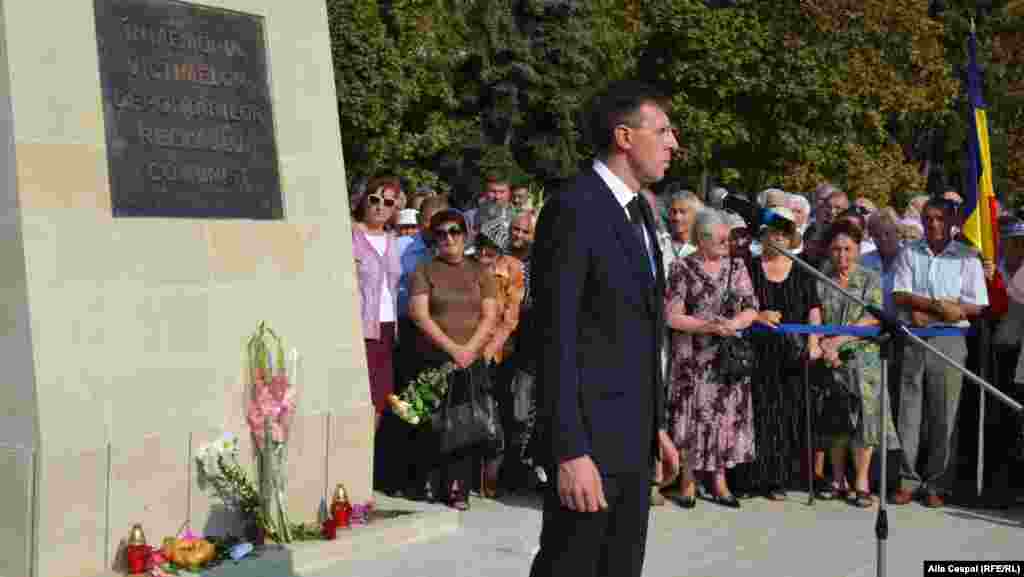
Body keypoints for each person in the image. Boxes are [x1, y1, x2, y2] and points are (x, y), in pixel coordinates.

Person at [529, 81, 680, 577]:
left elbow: (641, 332)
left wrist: (656, 424)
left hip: (632, 441)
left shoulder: (640, 211)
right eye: (661, 131)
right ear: (623, 136)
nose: (673, 143)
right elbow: (555, 337)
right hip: (589, 443)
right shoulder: (575, 208)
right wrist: (569, 450)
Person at [890, 198, 988, 508]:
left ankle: (936, 483)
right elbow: (900, 293)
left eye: (940, 219)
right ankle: (907, 480)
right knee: (908, 412)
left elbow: (976, 304)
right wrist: (936, 307)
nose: (933, 224)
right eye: (928, 218)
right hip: (914, 338)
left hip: (949, 340)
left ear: (952, 221)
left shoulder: (966, 258)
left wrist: (948, 310)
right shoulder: (910, 252)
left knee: (944, 413)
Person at [666, 209, 760, 509]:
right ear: (702, 239)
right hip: (694, 359)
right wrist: (706, 326)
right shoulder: (682, 268)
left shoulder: (737, 266)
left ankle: (720, 483)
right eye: (721, 238)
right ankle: (688, 483)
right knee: (693, 420)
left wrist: (732, 325)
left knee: (724, 418)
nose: (726, 242)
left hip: (727, 359)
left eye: (728, 237)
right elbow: (672, 316)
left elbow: (751, 308)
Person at [409, 208, 498, 510]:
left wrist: (470, 349)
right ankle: (434, 483)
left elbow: (491, 314)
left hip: (470, 358)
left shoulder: (480, 271)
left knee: (466, 424)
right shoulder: (425, 270)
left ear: (466, 234)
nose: (448, 238)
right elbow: (419, 314)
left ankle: (460, 487)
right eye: (441, 233)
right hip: (435, 358)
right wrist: (452, 348)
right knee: (434, 422)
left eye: (454, 231)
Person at [812, 220, 900, 507]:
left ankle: (861, 480)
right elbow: (817, 316)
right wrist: (825, 345)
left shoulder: (870, 277)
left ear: (858, 249)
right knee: (836, 420)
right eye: (836, 249)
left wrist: (838, 341)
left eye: (848, 249)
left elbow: (873, 317)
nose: (842, 255)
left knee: (866, 422)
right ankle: (837, 478)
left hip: (865, 360)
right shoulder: (820, 278)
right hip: (831, 359)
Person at [739, 207, 822, 500]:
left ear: (790, 238)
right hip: (756, 352)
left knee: (786, 414)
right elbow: (736, 304)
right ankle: (750, 478)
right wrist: (758, 315)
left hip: (792, 354)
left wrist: (814, 343)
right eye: (771, 234)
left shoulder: (803, 269)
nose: (776, 239)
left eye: (782, 235)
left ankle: (777, 479)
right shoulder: (748, 266)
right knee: (757, 414)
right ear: (763, 236)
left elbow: (814, 309)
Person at [474, 221, 526, 497]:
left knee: (502, 413)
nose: (485, 251)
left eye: (491, 246)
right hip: (467, 347)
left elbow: (510, 320)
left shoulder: (513, 269)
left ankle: (495, 475)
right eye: (482, 243)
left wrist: (487, 351)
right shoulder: (468, 264)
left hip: (500, 353)